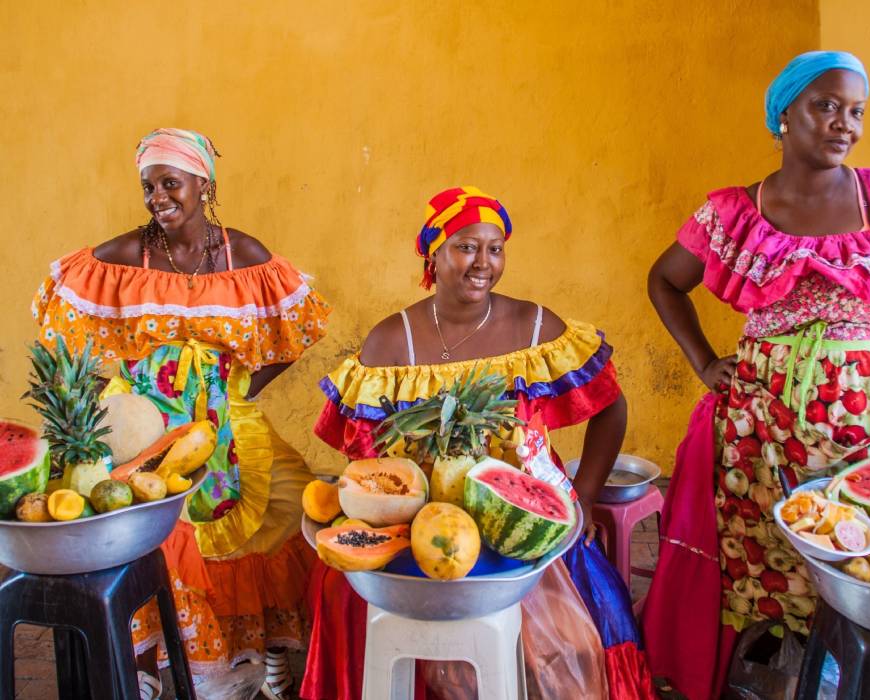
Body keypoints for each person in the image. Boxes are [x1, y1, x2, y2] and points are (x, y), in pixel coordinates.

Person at [642, 52, 870, 700]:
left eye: (855, 110)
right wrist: (703, 361)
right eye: (825, 106)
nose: (844, 124)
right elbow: (665, 280)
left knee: (860, 562)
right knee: (760, 571)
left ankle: (845, 675)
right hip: (755, 435)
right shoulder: (733, 215)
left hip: (864, 441)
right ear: (784, 114)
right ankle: (769, 674)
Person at [302, 186, 656, 700]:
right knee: (340, 593)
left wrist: (581, 495)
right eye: (466, 247)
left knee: (575, 640)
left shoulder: (536, 327)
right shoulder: (389, 342)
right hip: (425, 523)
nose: (482, 263)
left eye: (495, 248)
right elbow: (368, 460)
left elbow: (611, 406)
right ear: (433, 253)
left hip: (528, 520)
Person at [31, 128, 331, 700]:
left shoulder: (243, 255)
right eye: (149, 186)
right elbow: (62, 315)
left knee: (285, 515)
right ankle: (155, 669)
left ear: (203, 184)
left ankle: (266, 656)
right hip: (145, 429)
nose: (158, 197)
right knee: (162, 546)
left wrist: (240, 388)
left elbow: (297, 331)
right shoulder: (127, 256)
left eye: (171, 183)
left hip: (226, 420)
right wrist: (116, 389)